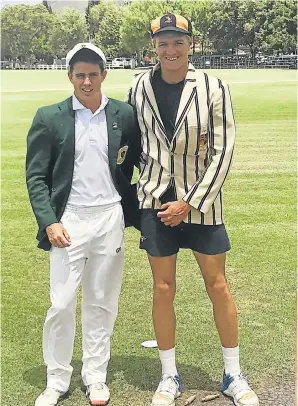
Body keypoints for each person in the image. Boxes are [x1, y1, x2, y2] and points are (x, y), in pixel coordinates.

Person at [127, 13, 259, 406]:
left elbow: (224, 150)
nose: (171, 49)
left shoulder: (213, 87)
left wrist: (191, 201)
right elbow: (133, 145)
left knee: (217, 285)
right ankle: (169, 376)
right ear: (154, 46)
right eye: (163, 42)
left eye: (178, 41)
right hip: (156, 204)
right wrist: (146, 187)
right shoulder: (138, 88)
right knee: (163, 288)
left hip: (201, 204)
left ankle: (233, 373)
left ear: (191, 44)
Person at [26, 43, 140, 406]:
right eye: (80, 75)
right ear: (70, 77)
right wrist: (49, 221)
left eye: (93, 74)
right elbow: (36, 177)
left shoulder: (124, 114)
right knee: (61, 303)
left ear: (104, 75)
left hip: (110, 217)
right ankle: (56, 379)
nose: (87, 81)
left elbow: (138, 162)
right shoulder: (50, 117)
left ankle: (95, 377)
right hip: (69, 221)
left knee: (102, 301)